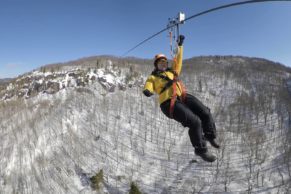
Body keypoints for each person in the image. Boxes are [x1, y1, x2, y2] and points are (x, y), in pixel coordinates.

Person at [143, 35, 220, 162]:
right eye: (160, 62)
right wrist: (148, 90)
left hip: (182, 96)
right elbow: (149, 85)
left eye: (164, 62)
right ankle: (201, 150)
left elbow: (178, 60)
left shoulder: (173, 72)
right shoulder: (153, 77)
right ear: (156, 65)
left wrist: (180, 46)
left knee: (205, 112)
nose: (163, 64)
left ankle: (210, 135)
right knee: (195, 122)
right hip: (168, 103)